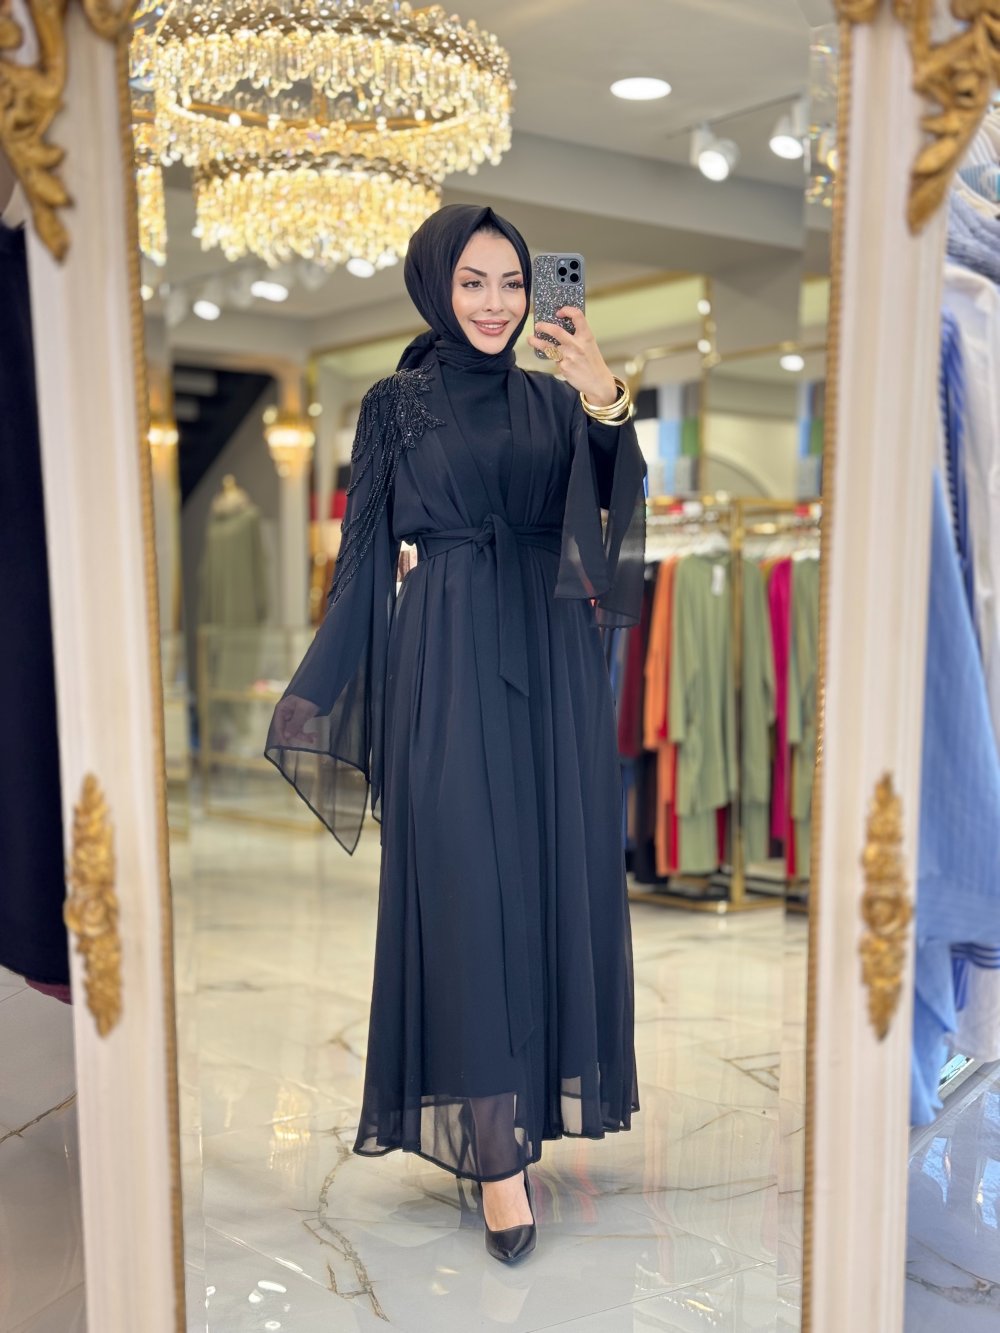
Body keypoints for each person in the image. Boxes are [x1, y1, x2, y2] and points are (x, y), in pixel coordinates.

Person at [266, 203, 646, 1263]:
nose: (495, 302)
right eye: (474, 281)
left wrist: (603, 397)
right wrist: (325, 685)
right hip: (444, 661)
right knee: (467, 892)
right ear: (436, 284)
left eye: (512, 283)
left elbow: (612, 532)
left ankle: (525, 1115)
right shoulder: (396, 404)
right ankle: (494, 1158)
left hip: (550, 665)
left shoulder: (555, 398)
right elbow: (361, 553)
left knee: (545, 885)